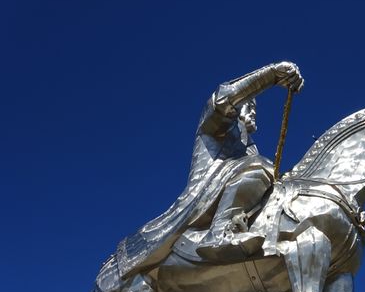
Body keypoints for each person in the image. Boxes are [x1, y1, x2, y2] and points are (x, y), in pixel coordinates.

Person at [115, 62, 304, 276]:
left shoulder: (250, 148)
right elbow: (224, 99)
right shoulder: (217, 124)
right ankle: (219, 234)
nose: (254, 113)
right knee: (260, 167)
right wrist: (272, 75)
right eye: (249, 106)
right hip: (205, 193)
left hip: (232, 195)